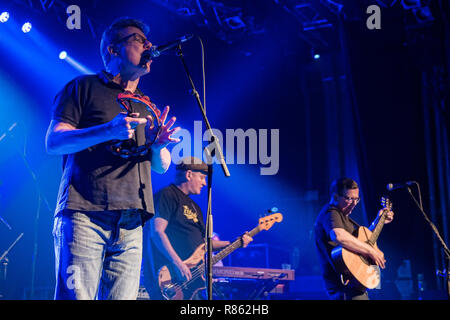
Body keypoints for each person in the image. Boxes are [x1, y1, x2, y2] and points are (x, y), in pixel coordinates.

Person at [45, 17, 180, 300]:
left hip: (131, 221)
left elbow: (161, 166)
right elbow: (54, 142)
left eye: (148, 41)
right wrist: (108, 130)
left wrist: (159, 145)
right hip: (85, 214)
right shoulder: (82, 87)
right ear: (112, 50)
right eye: (138, 40)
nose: (148, 46)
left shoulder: (146, 103)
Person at [142, 156, 252, 300]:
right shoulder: (167, 195)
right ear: (188, 175)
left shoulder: (195, 207)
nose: (204, 183)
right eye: (201, 178)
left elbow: (204, 244)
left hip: (190, 280)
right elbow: (157, 232)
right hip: (169, 275)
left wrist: (234, 243)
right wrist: (178, 264)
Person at [314, 177, 394, 300]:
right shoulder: (331, 213)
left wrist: (379, 221)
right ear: (335, 197)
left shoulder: (345, 218)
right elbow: (339, 236)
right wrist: (371, 251)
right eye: (349, 198)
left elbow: (364, 240)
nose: (354, 203)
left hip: (356, 284)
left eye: (356, 199)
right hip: (343, 287)